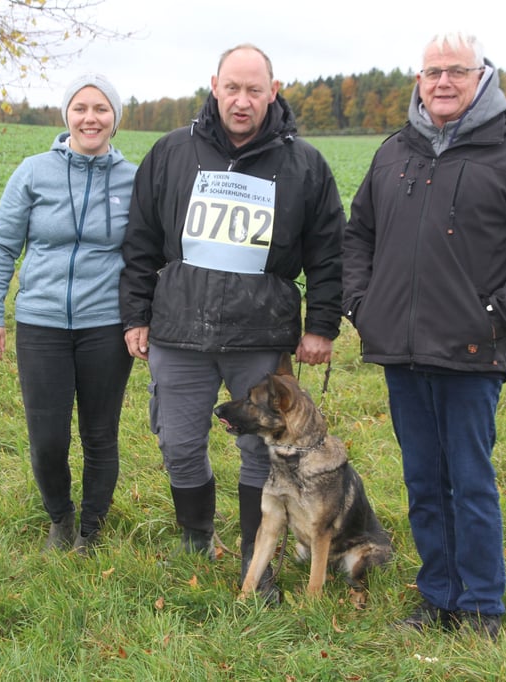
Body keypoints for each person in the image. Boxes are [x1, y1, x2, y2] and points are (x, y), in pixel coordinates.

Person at [342, 32, 506, 638]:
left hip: (472, 349)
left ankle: (482, 609)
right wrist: (362, 305)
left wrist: (499, 316)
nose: (443, 82)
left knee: (468, 481)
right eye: (432, 71)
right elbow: (356, 235)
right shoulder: (395, 152)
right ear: (418, 81)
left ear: (482, 79)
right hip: (400, 346)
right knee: (422, 480)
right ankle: (438, 597)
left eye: (456, 72)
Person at [120, 44, 344, 598]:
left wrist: (321, 325)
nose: (242, 102)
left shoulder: (305, 165)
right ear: (215, 85)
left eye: (254, 90)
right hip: (178, 329)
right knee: (177, 442)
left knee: (259, 449)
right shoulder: (172, 152)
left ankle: (254, 554)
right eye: (233, 89)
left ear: (274, 90)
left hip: (260, 334)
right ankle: (196, 536)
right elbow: (141, 239)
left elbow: (328, 252)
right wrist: (135, 315)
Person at [0, 73, 136, 555]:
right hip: (41, 323)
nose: (91, 117)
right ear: (66, 114)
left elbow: (149, 254)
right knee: (47, 437)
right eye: (81, 107)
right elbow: (2, 245)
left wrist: (145, 318)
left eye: (102, 108)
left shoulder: (134, 179)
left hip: (105, 326)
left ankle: (91, 526)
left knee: (99, 432)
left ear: (114, 118)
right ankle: (60, 518)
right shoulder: (33, 172)